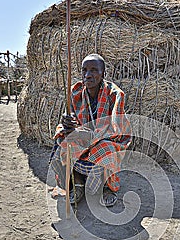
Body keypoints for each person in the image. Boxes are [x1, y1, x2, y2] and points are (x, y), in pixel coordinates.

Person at [51, 53, 131, 207]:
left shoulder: (115, 95)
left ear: (103, 74)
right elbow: (73, 119)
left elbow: (117, 130)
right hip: (82, 142)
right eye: (84, 70)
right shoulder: (75, 92)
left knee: (107, 149)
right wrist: (68, 122)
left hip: (105, 142)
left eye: (94, 70)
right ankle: (78, 182)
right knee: (61, 139)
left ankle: (107, 187)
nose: (88, 75)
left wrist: (86, 134)